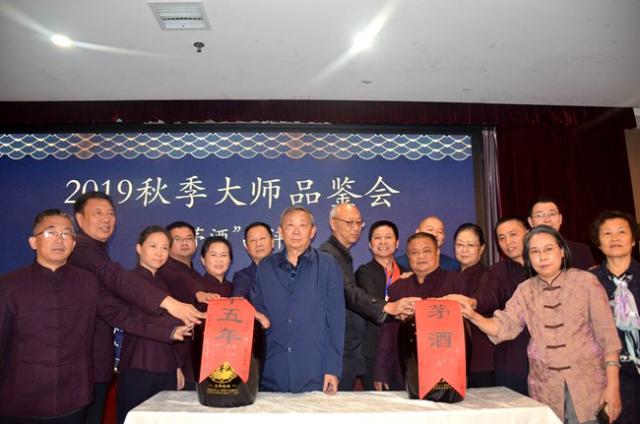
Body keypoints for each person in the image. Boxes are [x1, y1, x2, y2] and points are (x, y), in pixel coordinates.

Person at [0, 210, 190, 424]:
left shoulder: (88, 282)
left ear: (73, 244)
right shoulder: (9, 285)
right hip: (20, 397)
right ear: (33, 242)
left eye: (66, 234)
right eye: (51, 233)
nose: (59, 239)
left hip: (72, 396)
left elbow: (122, 315)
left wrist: (170, 331)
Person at [456, 225, 621, 423]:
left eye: (548, 249)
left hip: (589, 388)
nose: (542, 257)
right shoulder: (525, 290)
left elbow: (608, 337)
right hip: (546, 390)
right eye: (534, 251)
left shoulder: (586, 282)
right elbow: (503, 327)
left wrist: (613, 387)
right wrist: (473, 315)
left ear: (562, 251)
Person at [67, 191, 205, 423]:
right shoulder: (83, 250)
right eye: (98, 213)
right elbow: (118, 296)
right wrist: (169, 304)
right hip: (115, 364)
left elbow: (117, 312)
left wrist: (173, 337)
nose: (106, 219)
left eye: (110, 213)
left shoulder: (160, 281)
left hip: (106, 363)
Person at [250, 205, 345, 393]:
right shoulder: (265, 267)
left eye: (302, 225)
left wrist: (332, 369)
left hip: (314, 371)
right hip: (272, 371)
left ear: (313, 231)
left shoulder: (328, 265)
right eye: (290, 225)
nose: (296, 231)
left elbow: (336, 322)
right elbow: (257, 316)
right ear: (280, 231)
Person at [374, 232, 468, 389]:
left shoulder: (457, 283)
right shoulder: (398, 288)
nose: (421, 256)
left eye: (426, 251)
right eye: (415, 252)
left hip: (448, 369)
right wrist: (381, 371)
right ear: (408, 256)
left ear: (437, 252)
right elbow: (388, 332)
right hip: (406, 370)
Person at [116, 226, 188, 424]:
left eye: (165, 248)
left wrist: (176, 365)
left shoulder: (163, 283)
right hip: (140, 364)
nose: (159, 253)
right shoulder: (128, 281)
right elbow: (135, 320)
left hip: (166, 366)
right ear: (139, 248)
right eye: (153, 246)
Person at [590, 210, 640, 424]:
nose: (615, 238)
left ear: (634, 240)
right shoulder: (588, 282)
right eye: (607, 233)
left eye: (621, 232)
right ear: (599, 244)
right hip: (605, 376)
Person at [355, 220, 411, 390]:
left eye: (388, 237)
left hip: (404, 347)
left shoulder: (408, 272)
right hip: (374, 348)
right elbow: (373, 304)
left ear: (397, 243)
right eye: (377, 238)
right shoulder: (364, 272)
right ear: (370, 245)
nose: (383, 242)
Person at [318, 203, 368, 390]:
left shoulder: (341, 253)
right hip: (340, 348)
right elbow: (347, 292)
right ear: (333, 223)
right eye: (349, 222)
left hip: (348, 347)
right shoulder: (328, 255)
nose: (356, 228)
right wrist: (386, 307)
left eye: (359, 223)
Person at [488, 216, 530, 395]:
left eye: (513, 235)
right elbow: (488, 298)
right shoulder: (497, 271)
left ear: (528, 233)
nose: (508, 242)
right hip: (512, 358)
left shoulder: (546, 266)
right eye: (502, 238)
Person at [453, 223, 494, 388]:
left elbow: (486, 299)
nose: (464, 250)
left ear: (482, 248)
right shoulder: (450, 276)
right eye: (460, 245)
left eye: (470, 245)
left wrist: (471, 302)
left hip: (480, 357)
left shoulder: (489, 276)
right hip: (453, 357)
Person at [528, 196, 595, 269]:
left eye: (552, 214)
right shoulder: (525, 252)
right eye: (539, 215)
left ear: (560, 219)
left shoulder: (581, 251)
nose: (547, 219)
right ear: (530, 221)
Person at [397, 215, 461, 271]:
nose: (435, 234)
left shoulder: (453, 266)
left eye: (440, 231)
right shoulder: (398, 264)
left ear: (444, 237)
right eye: (430, 230)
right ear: (417, 232)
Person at [232, 222, 274, 298]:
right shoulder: (242, 277)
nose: (258, 244)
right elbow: (239, 297)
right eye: (253, 240)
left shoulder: (287, 270)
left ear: (272, 242)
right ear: (247, 247)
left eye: (262, 238)